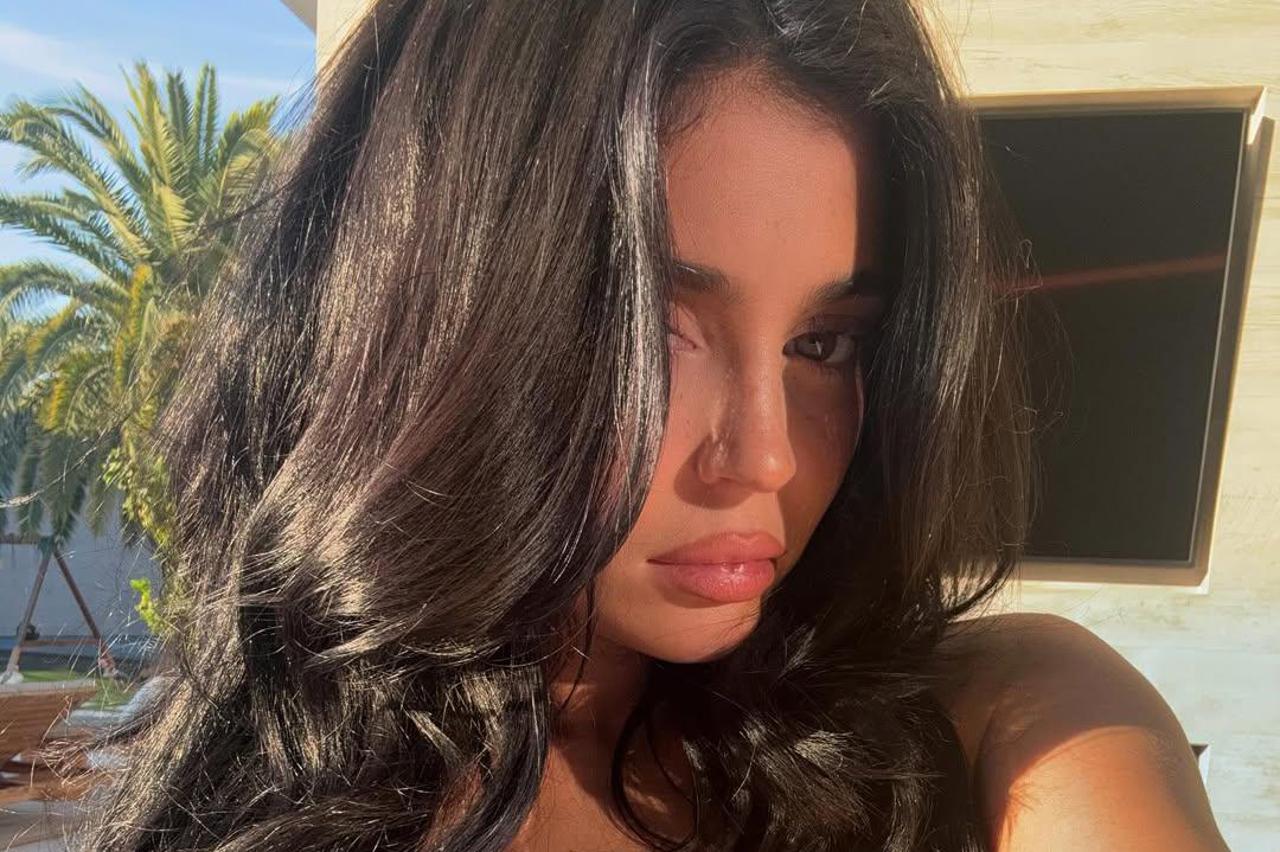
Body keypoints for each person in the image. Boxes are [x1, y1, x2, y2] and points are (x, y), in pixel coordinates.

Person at [73, 1, 1229, 850]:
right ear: (425, 328)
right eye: (649, 333)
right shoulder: (270, 796)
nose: (764, 455)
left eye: (822, 343)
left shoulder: (997, 724)